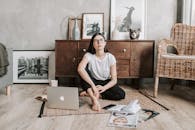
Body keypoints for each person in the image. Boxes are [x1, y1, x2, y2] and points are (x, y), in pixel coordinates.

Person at [77, 33, 125, 111]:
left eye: (101, 40)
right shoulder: (88, 55)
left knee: (121, 94)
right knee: (82, 72)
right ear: (93, 44)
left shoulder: (110, 57)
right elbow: (80, 69)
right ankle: (94, 99)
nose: (99, 43)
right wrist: (93, 86)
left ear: (105, 43)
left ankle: (90, 93)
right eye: (96, 41)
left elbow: (114, 80)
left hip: (105, 82)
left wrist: (104, 88)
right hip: (92, 81)